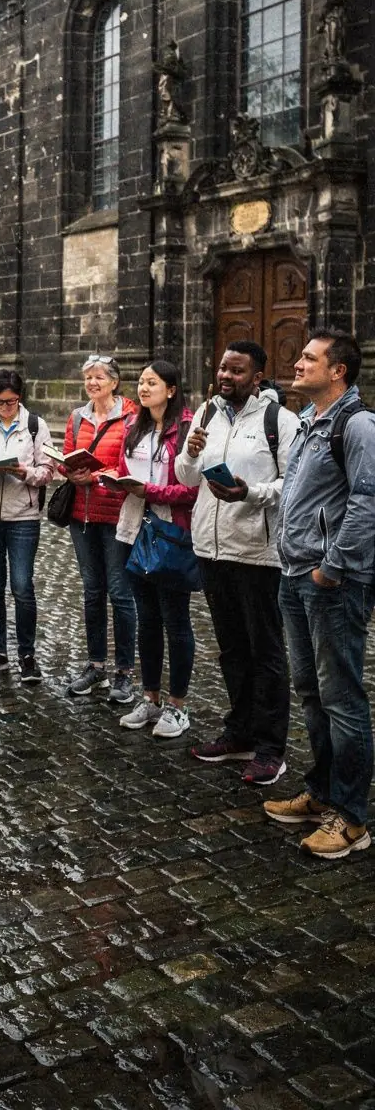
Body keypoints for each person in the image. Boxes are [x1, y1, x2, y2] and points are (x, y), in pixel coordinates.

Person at [264, 327, 375, 859]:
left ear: (339, 372)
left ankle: (352, 818)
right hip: (295, 575)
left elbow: (367, 502)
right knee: (310, 691)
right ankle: (322, 790)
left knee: (342, 699)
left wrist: (333, 567)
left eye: (310, 357)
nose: (298, 362)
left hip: (331, 583)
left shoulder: (357, 425)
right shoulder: (310, 422)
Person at [177, 342, 299, 785]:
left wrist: (251, 493)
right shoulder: (207, 414)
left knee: (265, 651)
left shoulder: (280, 422)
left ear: (258, 377)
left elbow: (293, 485)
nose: (226, 375)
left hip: (257, 552)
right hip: (211, 549)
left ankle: (270, 748)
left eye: (237, 370)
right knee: (231, 648)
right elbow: (186, 478)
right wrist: (190, 452)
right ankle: (239, 731)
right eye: (223, 368)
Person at [114, 361, 198, 738]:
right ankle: (150, 698)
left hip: (171, 534)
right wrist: (110, 482)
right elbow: (124, 471)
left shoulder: (189, 429)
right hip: (133, 530)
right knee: (147, 620)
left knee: (175, 620)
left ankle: (178, 706)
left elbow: (195, 489)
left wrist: (150, 492)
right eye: (141, 381)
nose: (143, 388)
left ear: (172, 388)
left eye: (152, 382)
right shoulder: (135, 426)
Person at [0, 369, 53, 684]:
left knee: (22, 586)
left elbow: (47, 471)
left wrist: (23, 472)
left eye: (12, 402)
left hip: (23, 517)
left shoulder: (35, 425)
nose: (6, 408)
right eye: (1, 403)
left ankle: (27, 655)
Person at [61, 355, 137, 702]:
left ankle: (124, 671)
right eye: (88, 377)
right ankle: (96, 665)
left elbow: (130, 461)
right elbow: (65, 456)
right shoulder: (77, 418)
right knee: (92, 592)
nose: (92, 383)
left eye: (98, 377)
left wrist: (96, 474)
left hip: (118, 515)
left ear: (114, 382)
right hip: (83, 515)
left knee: (120, 594)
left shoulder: (132, 417)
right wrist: (70, 472)